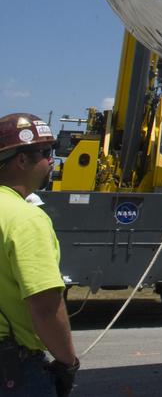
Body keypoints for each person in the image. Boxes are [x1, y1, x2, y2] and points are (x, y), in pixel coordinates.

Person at [0, 113, 79, 396]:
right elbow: (45, 307)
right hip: (13, 366)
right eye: (46, 153)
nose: (52, 162)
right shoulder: (25, 219)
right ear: (21, 160)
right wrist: (68, 362)